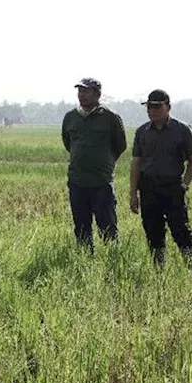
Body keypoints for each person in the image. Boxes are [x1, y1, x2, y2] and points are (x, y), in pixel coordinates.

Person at [128, 89, 192, 273]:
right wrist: (133, 193)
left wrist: (184, 184)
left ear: (168, 107)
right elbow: (136, 163)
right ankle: (159, 273)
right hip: (149, 188)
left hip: (173, 187)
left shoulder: (181, 130)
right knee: (153, 232)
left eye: (157, 107)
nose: (152, 111)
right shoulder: (142, 132)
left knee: (181, 231)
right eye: (149, 107)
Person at [60, 77, 127, 252]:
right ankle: (85, 260)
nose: (82, 95)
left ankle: (112, 261)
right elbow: (68, 143)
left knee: (107, 226)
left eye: (86, 91)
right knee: (81, 227)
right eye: (80, 91)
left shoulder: (110, 117)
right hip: (77, 181)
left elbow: (120, 145)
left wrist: (103, 162)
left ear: (97, 94)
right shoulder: (70, 117)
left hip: (101, 182)